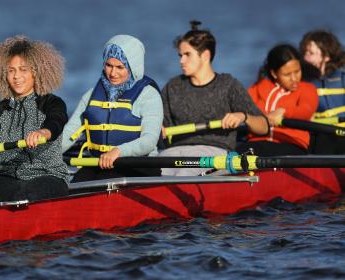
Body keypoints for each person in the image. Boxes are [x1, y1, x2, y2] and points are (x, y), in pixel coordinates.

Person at [0, 35, 69, 202]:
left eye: (23, 69)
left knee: (27, 196)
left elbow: (56, 121)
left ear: (35, 72)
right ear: (4, 75)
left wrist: (44, 132)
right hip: (8, 177)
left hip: (49, 176)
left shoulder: (52, 103)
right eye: (11, 71)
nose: (16, 76)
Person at [160, 21, 269, 176]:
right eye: (180, 55)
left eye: (187, 55)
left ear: (205, 55)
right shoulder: (173, 86)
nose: (181, 61)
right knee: (150, 173)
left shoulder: (228, 85)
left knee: (184, 174)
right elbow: (159, 126)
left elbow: (264, 126)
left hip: (215, 154)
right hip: (173, 153)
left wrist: (243, 116)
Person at [62, 34, 163, 182]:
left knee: (105, 181)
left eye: (120, 67)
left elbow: (149, 141)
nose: (113, 73)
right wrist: (44, 156)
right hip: (99, 163)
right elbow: (69, 134)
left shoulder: (149, 96)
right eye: (109, 65)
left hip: (139, 165)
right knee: (75, 185)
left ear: (132, 66)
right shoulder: (91, 95)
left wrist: (119, 151)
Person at [237, 44, 319, 156]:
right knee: (234, 153)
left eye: (297, 71)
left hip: (292, 144)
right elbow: (242, 108)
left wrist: (284, 112)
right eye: (287, 74)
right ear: (274, 73)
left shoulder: (307, 89)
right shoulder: (258, 88)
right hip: (257, 142)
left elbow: (306, 111)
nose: (294, 78)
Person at [299, 29, 345, 154]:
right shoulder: (301, 82)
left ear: (326, 56)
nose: (305, 57)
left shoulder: (342, 79)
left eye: (311, 53)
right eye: (304, 52)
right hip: (318, 135)